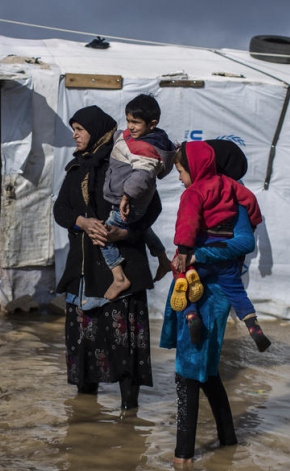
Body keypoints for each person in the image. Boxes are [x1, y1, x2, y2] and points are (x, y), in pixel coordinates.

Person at [53, 105, 161, 411]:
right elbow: (60, 210)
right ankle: (84, 422)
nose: (74, 135)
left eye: (80, 129)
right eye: (73, 128)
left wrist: (123, 235)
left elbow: (151, 208)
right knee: (84, 351)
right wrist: (82, 222)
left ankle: (130, 419)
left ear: (97, 131)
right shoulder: (76, 169)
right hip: (84, 273)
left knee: (125, 352)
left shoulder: (125, 162)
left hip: (121, 268)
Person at [160, 203, 255, 465]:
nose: (179, 176)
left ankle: (184, 457)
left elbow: (245, 242)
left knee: (188, 374)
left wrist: (197, 255)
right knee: (208, 373)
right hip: (199, 291)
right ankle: (228, 443)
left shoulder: (225, 205)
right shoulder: (221, 201)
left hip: (207, 296)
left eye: (182, 170)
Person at [171, 141, 270, 352]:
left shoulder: (193, 192)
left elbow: (186, 223)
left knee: (181, 273)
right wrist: (255, 219)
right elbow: (249, 200)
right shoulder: (229, 184)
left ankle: (191, 315)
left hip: (201, 248)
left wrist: (185, 251)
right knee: (237, 291)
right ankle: (253, 326)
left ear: (194, 168)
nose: (179, 178)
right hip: (225, 256)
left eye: (180, 172)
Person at [100, 94, 175, 299]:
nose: (130, 127)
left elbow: (141, 177)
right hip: (137, 204)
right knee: (145, 229)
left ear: (152, 124)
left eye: (136, 122)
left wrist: (126, 197)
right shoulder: (139, 139)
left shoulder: (145, 148)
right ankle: (162, 258)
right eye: (128, 121)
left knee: (102, 236)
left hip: (126, 203)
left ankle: (119, 277)